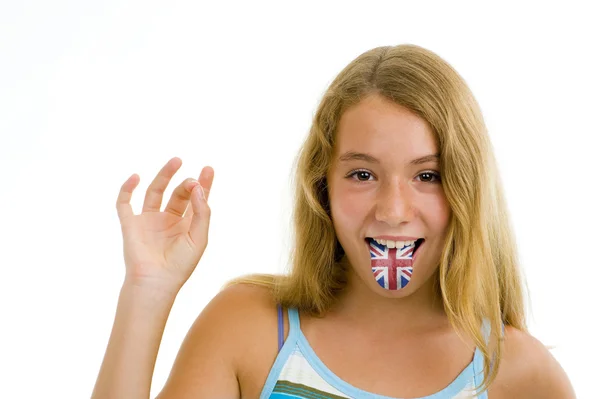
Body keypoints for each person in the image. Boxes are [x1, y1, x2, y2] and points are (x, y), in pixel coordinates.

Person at [91, 44, 576, 399]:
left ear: (468, 189)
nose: (393, 209)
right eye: (363, 174)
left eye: (427, 175)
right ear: (322, 185)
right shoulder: (248, 330)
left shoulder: (520, 375)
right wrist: (145, 293)